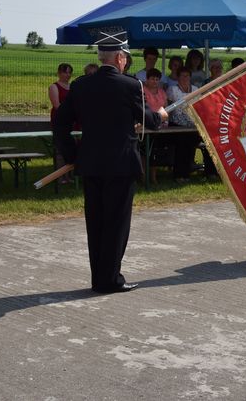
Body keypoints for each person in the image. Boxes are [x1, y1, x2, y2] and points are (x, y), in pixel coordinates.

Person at [53, 35, 167, 293]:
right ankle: (111, 279)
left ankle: (99, 279)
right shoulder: (130, 85)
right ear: (119, 58)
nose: (126, 62)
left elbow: (60, 122)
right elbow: (148, 120)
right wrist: (160, 115)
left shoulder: (81, 86)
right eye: (125, 58)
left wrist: (72, 155)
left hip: (91, 164)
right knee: (116, 224)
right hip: (120, 165)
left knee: (96, 223)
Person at [166, 66, 215, 180]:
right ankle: (180, 175)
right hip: (176, 125)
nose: (185, 78)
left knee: (209, 141)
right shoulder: (172, 90)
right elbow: (168, 108)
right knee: (183, 144)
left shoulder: (195, 89)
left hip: (193, 125)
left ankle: (210, 173)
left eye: (187, 76)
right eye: (182, 76)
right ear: (178, 77)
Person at [49, 63, 74, 184]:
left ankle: (69, 176)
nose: (67, 75)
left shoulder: (72, 87)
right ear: (59, 73)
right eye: (65, 72)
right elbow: (57, 105)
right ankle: (60, 177)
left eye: (69, 72)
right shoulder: (54, 87)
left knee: (70, 150)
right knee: (60, 150)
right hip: (59, 122)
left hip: (71, 122)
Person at [143, 68, 169, 184]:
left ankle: (154, 177)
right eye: (152, 79)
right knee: (146, 151)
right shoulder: (142, 91)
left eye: (157, 79)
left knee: (157, 151)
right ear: (147, 79)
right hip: (146, 125)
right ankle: (144, 177)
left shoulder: (162, 92)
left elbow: (166, 107)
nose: (154, 81)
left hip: (162, 125)